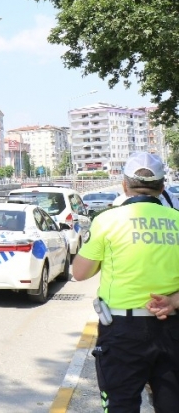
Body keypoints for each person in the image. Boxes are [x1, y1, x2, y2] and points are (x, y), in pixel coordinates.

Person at [72, 152, 179, 412]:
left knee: (121, 405)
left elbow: (80, 273)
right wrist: (174, 301)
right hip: (173, 326)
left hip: (122, 331)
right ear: (162, 186)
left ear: (124, 185)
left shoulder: (107, 220)